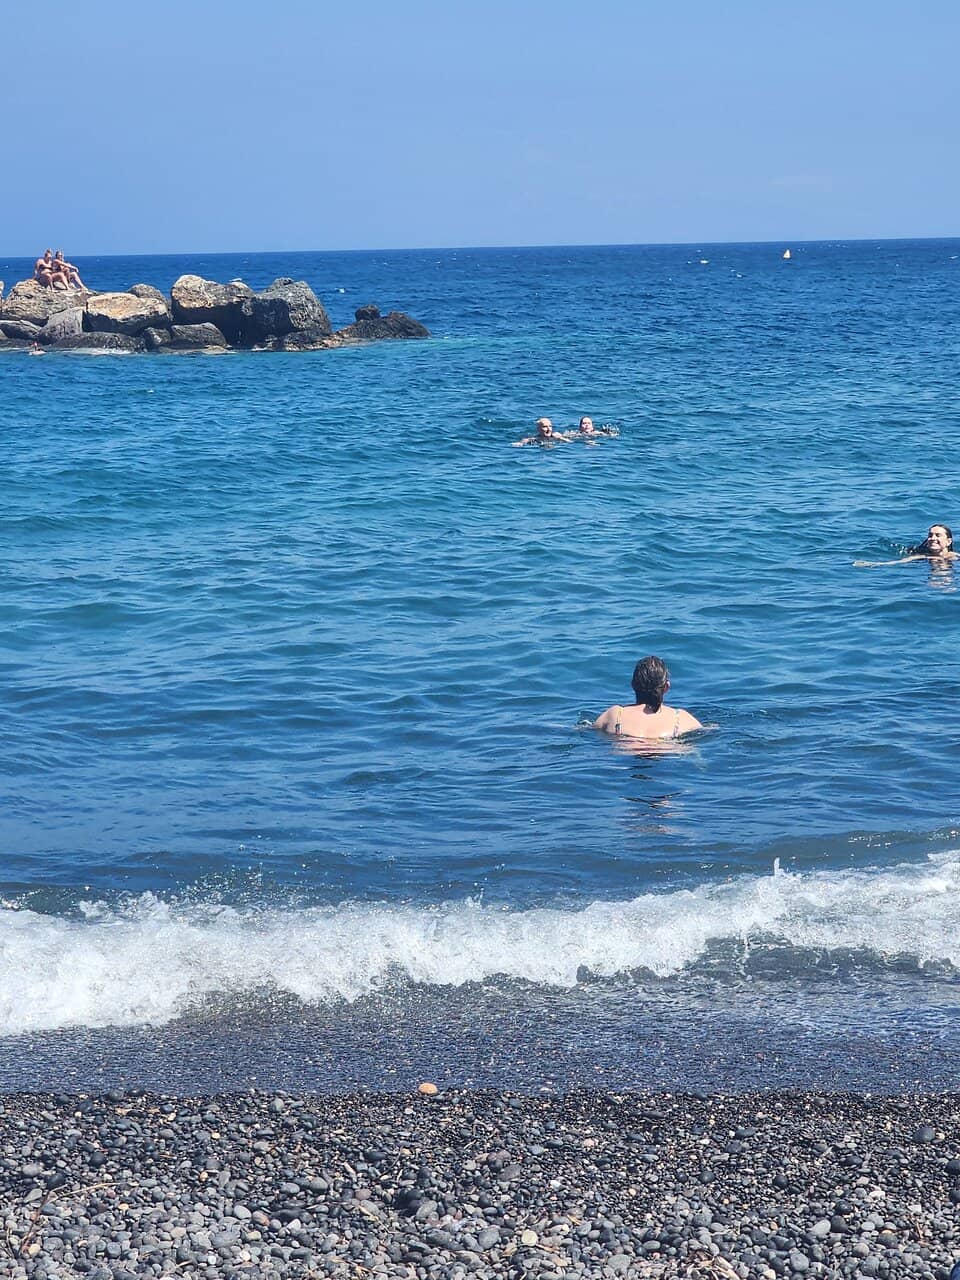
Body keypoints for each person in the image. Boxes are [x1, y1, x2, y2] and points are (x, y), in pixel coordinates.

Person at [593, 656, 703, 740]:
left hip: (624, 759)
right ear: (666, 687)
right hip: (668, 756)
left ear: (633, 685)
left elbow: (587, 730)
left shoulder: (615, 714)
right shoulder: (680, 718)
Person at [854, 523, 958, 567]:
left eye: (938, 535)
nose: (933, 538)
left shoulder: (955, 557)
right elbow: (897, 562)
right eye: (930, 535)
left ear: (948, 542)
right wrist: (873, 564)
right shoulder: (922, 557)